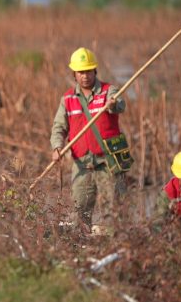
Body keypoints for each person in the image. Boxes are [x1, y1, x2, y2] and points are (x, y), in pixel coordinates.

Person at [50, 47, 131, 229]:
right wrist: (56, 147)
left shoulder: (108, 91)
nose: (84, 76)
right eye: (80, 72)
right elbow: (59, 127)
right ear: (74, 74)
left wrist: (113, 104)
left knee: (114, 210)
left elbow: (120, 105)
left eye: (87, 71)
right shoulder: (68, 98)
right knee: (80, 212)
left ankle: (116, 246)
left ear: (94, 70)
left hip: (108, 160)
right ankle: (82, 249)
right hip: (82, 163)